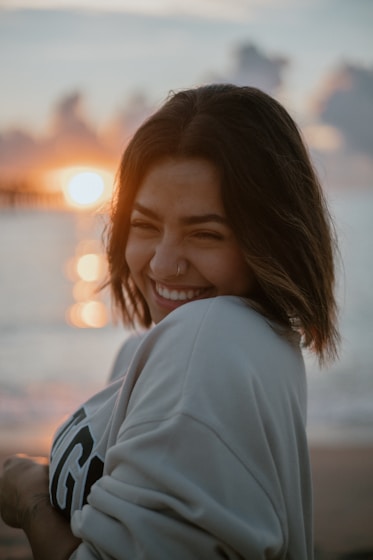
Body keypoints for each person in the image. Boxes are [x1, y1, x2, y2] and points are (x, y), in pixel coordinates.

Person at [0, 84, 339, 559]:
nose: (162, 264)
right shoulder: (170, 349)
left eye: (205, 233)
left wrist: (31, 501)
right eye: (144, 225)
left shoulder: (212, 342)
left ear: (270, 240)